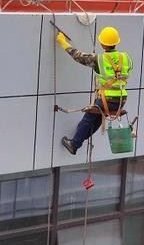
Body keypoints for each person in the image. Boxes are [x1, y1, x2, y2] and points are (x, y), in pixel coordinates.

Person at [56, 26, 133, 155]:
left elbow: (78, 56)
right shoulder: (126, 57)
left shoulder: (99, 59)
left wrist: (63, 42)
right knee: (96, 118)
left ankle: (74, 144)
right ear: (116, 42)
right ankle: (81, 136)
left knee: (88, 119)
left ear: (102, 43)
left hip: (106, 99)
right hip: (121, 99)